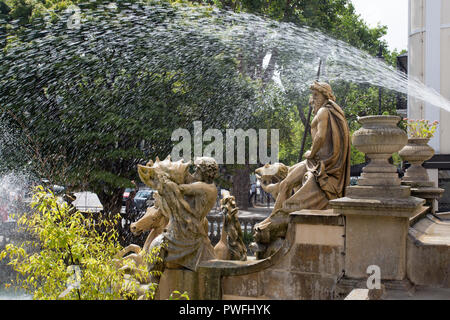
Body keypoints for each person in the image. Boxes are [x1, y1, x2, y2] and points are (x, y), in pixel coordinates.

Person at [253, 81, 351, 256]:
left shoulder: (323, 111)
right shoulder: (331, 111)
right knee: (287, 179)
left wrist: (310, 153)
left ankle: (274, 220)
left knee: (285, 184)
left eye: (316, 96)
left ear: (325, 96)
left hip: (317, 162)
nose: (312, 99)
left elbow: (320, 136)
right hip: (318, 162)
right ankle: (274, 217)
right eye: (312, 96)